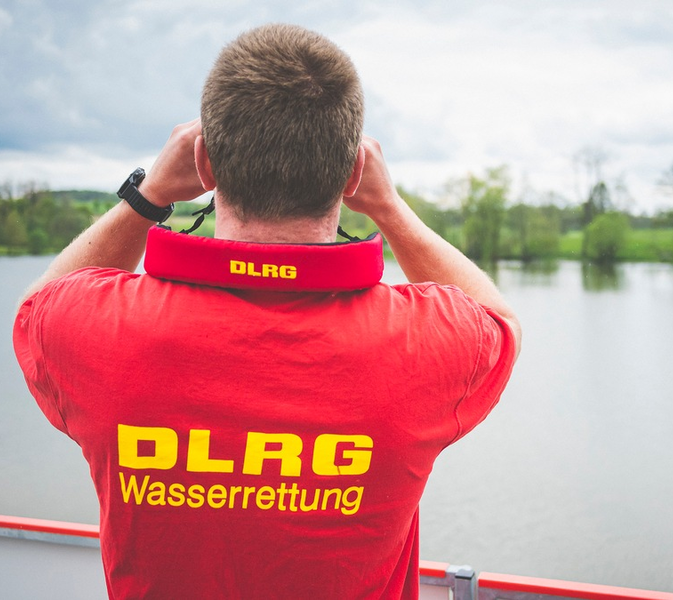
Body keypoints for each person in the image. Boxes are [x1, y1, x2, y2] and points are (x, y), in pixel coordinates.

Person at [13, 23, 521, 599]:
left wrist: (147, 196)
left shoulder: (97, 328)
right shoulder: (423, 340)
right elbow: (498, 322)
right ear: (354, 173)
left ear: (203, 163)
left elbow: (36, 308)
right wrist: (391, 209)